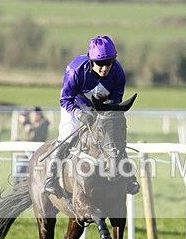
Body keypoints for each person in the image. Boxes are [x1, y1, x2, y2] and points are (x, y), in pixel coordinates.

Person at [43, 35, 140, 196]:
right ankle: (50, 178)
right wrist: (79, 114)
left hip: (100, 108)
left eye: (109, 63)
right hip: (74, 105)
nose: (105, 68)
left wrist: (103, 117)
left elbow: (114, 103)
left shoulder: (118, 73)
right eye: (100, 64)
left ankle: (129, 177)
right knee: (67, 133)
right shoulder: (75, 70)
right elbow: (65, 99)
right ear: (91, 60)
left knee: (113, 136)